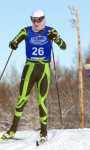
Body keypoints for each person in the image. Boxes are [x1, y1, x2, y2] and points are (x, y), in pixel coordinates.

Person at [0, 9, 66, 142]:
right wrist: (13, 44)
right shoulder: (26, 31)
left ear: (44, 19)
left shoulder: (51, 31)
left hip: (44, 69)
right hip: (30, 68)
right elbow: (13, 41)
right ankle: (12, 131)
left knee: (42, 101)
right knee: (22, 99)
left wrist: (57, 39)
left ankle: (43, 133)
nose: (36, 23)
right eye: (33, 20)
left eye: (39, 20)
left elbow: (63, 46)